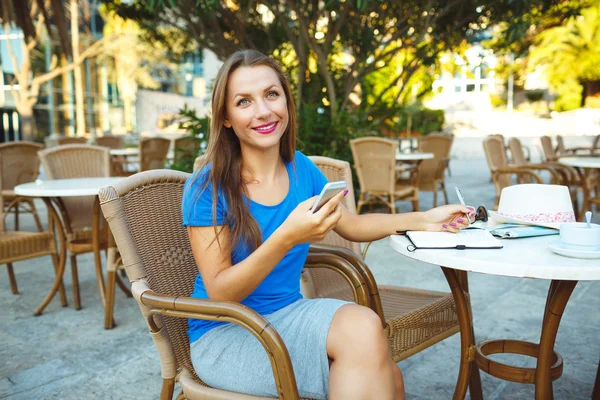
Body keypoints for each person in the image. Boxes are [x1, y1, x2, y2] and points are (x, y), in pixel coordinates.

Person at [182, 49, 473, 400]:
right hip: (226, 332)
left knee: (378, 356)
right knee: (383, 375)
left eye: (272, 95)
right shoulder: (207, 187)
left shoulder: (300, 168)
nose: (263, 111)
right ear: (226, 117)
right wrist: (288, 236)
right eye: (243, 101)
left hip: (288, 314)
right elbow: (221, 293)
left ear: (286, 103)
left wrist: (424, 218)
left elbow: (351, 225)